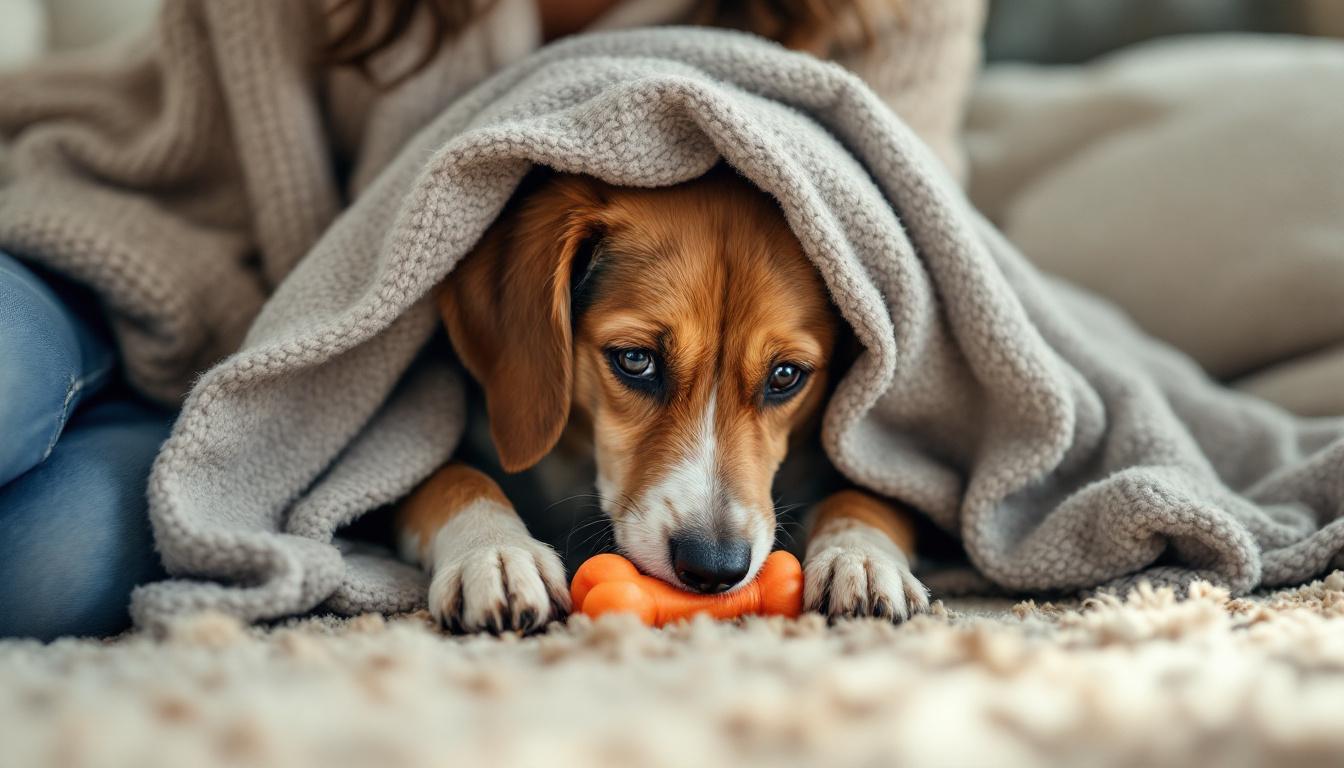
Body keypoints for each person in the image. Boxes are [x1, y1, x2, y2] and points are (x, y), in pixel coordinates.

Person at [0, 0, 984, 640]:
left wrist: (864, 528)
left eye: (782, 381)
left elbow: (913, 275)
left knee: (37, 575)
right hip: (130, 234)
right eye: (641, 366)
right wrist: (470, 525)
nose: (719, 526)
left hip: (228, 412)